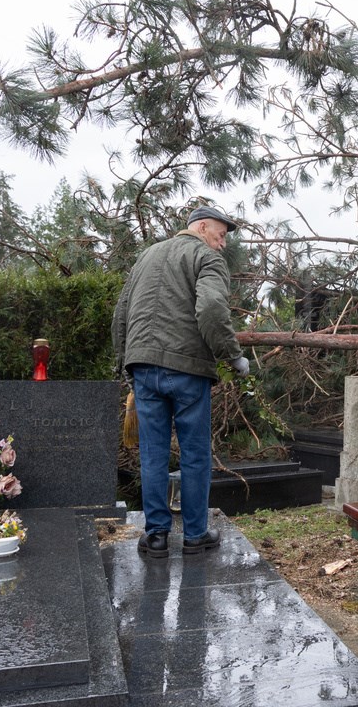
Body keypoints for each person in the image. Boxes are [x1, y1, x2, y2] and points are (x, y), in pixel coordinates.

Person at [112, 205, 250, 558]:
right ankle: (194, 534)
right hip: (187, 369)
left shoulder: (147, 255)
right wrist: (233, 355)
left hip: (143, 366)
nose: (221, 245)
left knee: (152, 453)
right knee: (194, 455)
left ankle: (156, 536)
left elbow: (121, 314)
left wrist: (125, 364)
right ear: (202, 227)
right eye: (220, 236)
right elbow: (211, 311)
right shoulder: (206, 258)